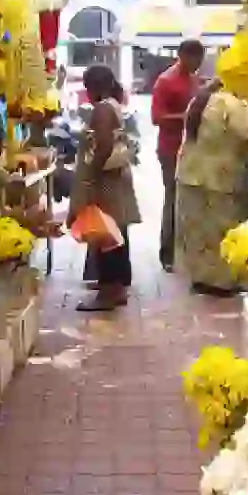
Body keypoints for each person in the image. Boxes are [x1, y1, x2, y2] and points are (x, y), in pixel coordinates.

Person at [175, 80, 248, 297]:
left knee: (199, 232)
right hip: (221, 178)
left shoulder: (203, 99)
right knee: (225, 230)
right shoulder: (232, 103)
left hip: (191, 173)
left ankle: (202, 279)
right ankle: (221, 283)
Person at [68, 66, 141, 311]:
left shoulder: (102, 109)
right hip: (116, 179)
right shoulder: (115, 105)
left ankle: (109, 291)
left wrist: (91, 177)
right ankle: (116, 289)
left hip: (105, 181)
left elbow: (104, 145)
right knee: (115, 233)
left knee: (104, 234)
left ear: (93, 87)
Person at [151, 39, 205, 272]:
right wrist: (187, 116)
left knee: (189, 199)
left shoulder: (195, 80)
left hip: (191, 148)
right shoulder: (166, 81)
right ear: (183, 56)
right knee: (173, 198)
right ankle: (167, 253)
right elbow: (157, 118)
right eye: (195, 60)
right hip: (170, 149)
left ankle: (186, 250)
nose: (198, 65)